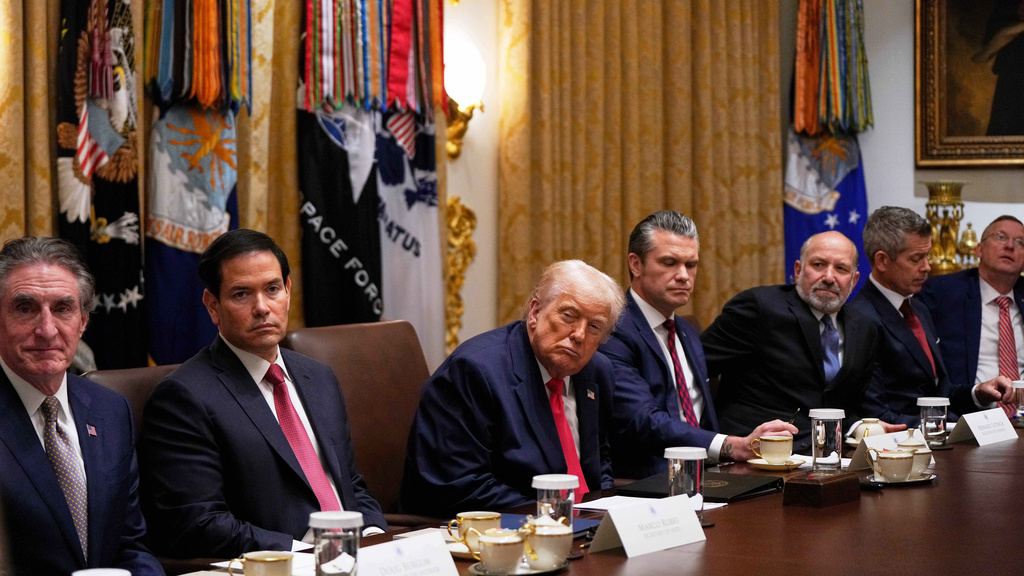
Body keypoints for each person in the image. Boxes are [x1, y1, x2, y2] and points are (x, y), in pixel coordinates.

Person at [140, 229, 385, 559]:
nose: (262, 307)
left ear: (288, 290)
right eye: (241, 294)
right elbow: (199, 523)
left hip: (355, 559)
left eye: (272, 289)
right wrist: (306, 553)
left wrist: (373, 535)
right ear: (212, 306)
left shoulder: (319, 377)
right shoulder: (184, 398)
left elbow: (349, 484)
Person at [399, 260, 624, 518]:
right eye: (569, 316)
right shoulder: (474, 372)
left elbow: (599, 462)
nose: (580, 335)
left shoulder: (597, 372)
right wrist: (553, 517)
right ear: (535, 313)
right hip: (494, 531)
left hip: (580, 526)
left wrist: (605, 513)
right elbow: (458, 485)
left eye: (595, 326)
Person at [0, 237, 163, 576]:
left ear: (83, 321)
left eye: (63, 309)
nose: (47, 330)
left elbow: (130, 545)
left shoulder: (111, 410)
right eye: (25, 308)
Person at [598, 211, 796, 479]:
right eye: (669, 262)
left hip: (708, 476)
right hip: (644, 483)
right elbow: (641, 421)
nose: (683, 275)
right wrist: (731, 445)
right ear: (636, 264)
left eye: (691, 265)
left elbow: (702, 418)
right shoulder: (613, 330)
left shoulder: (687, 331)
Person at [701, 231, 894, 453]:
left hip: (828, 458)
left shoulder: (864, 327)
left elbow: (843, 402)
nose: (829, 277)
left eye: (841, 269)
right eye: (819, 265)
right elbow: (693, 369)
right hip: (756, 455)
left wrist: (860, 427)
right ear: (798, 270)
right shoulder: (759, 308)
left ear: (854, 280)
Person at [850, 207, 1014, 425]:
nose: (927, 267)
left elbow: (939, 393)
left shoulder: (918, 309)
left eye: (926, 256)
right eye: (916, 258)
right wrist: (948, 427)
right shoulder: (861, 319)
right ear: (882, 261)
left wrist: (978, 393)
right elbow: (875, 416)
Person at [918, 215, 1024, 417]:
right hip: (967, 415)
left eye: (1020, 242)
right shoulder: (942, 292)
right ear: (980, 249)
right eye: (1001, 237)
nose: (1010, 245)